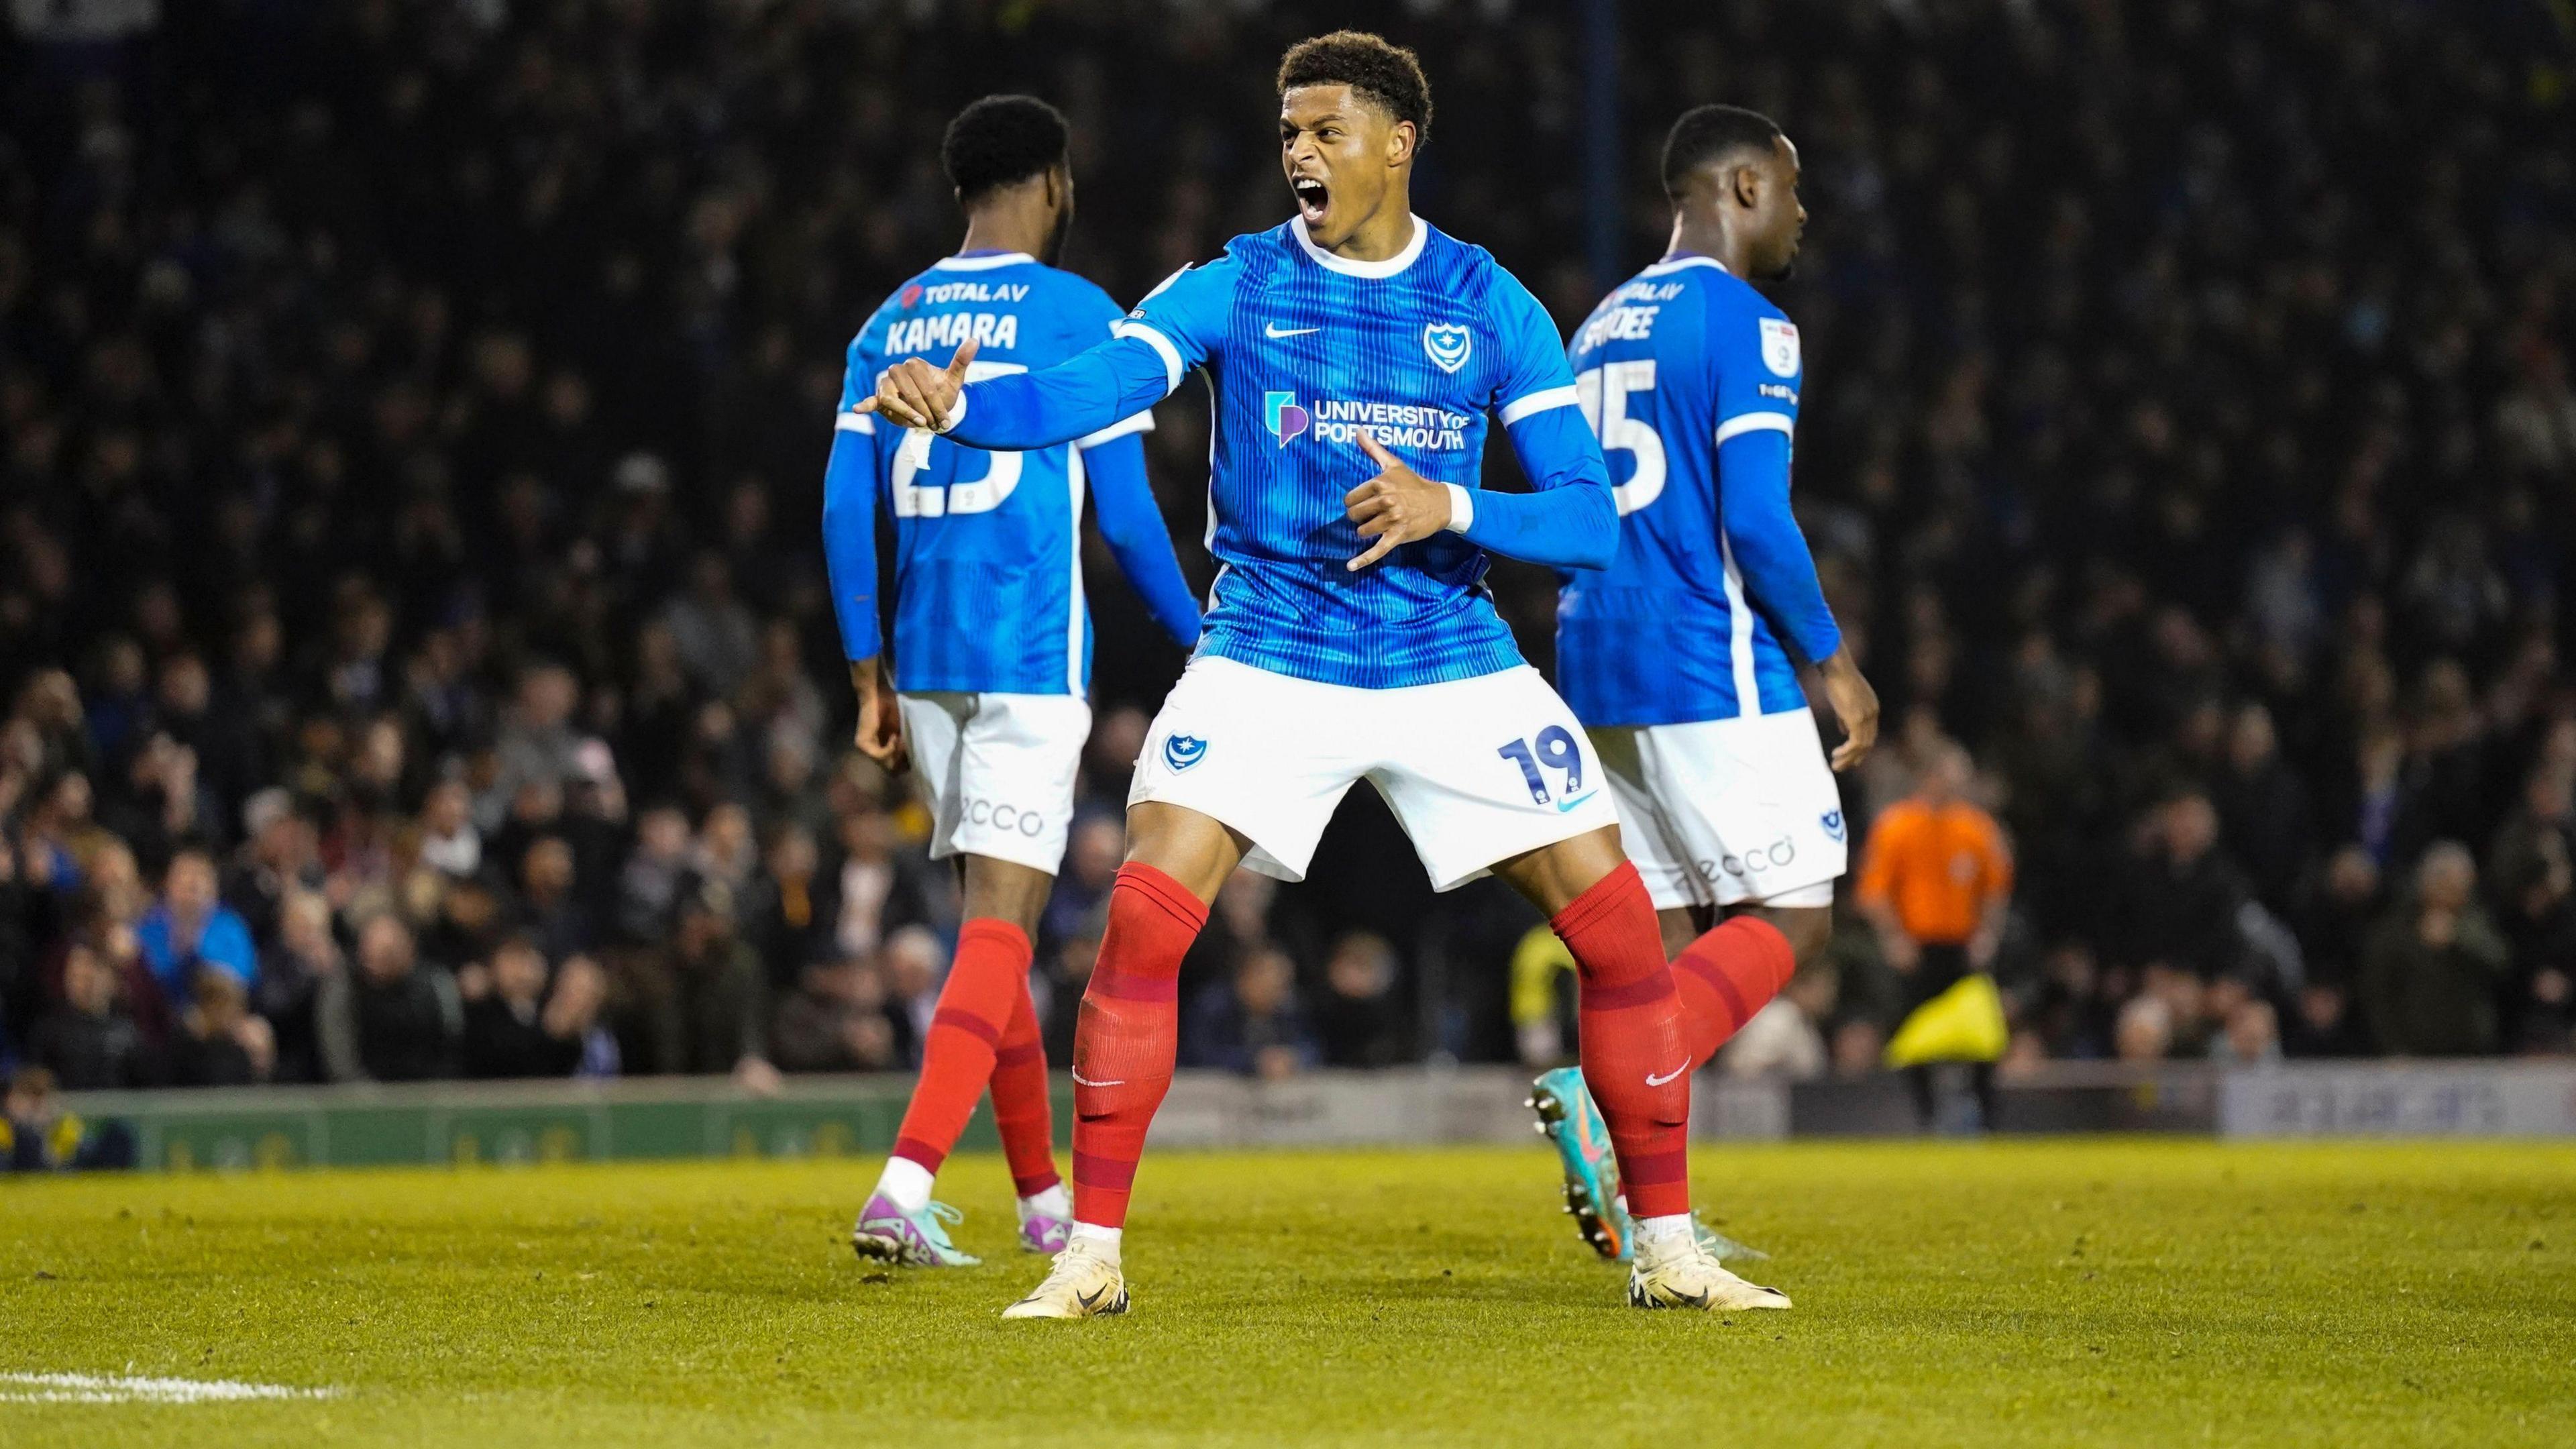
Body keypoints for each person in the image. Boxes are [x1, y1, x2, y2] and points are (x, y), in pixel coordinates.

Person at [859, 33, 1784, 1317]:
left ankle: (1671, 1252)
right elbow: (1103, 381)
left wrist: (1448, 502)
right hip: (1271, 653)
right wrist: (970, 407)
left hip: (1449, 658)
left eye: (1327, 130)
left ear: (1398, 142)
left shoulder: (1486, 298)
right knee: (1139, 922)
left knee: (1624, 941)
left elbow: (1588, 518)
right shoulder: (1234, 283)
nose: (1299, 152)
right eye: (1288, 131)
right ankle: (1091, 1259)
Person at [826, 93, 1204, 1271]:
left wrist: (865, 676)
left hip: (926, 660)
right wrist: (1206, 644)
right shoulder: (1079, 314)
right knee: (999, 928)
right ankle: (904, 1181)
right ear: (1054, 183)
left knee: (999, 936)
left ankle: (1041, 1202)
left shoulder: (890, 319)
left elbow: (845, 510)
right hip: (1030, 657)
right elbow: (1132, 524)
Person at [1530, 103, 1881, 1262]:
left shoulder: (1593, 327)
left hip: (1595, 658)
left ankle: (1649, 1214)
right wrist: (1830, 657)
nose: (1803, 213)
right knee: (1799, 909)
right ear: (1737, 190)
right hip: (1705, 654)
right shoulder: (1750, 323)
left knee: (1653, 939)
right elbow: (1759, 518)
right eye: (1791, 187)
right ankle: (1607, 1091)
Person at [1854, 741, 2015, 1127]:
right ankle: (1922, 1118)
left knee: (1982, 1035)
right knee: (1914, 1039)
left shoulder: (1975, 827)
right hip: (1916, 948)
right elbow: (1875, 892)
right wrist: (1894, 939)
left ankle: (1988, 1119)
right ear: (1929, 777)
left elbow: (1996, 886)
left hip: (1962, 947)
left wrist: (1987, 935)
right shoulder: (1897, 826)